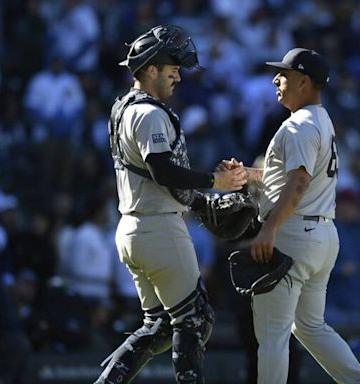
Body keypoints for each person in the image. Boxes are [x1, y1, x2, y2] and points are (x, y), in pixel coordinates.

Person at [94, 25, 247, 384]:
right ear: (150, 70)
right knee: (195, 319)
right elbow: (162, 170)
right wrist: (214, 182)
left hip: (133, 229)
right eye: (172, 68)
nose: (178, 76)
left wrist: (203, 188)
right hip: (158, 227)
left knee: (161, 326)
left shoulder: (123, 108)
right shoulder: (149, 113)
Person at [226, 48, 360, 383]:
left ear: (303, 81)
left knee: (273, 335)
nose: (275, 80)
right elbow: (292, 177)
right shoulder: (320, 120)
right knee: (309, 327)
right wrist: (249, 175)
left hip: (294, 233)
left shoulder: (299, 125)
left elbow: (297, 185)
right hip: (322, 233)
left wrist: (268, 229)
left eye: (283, 75)